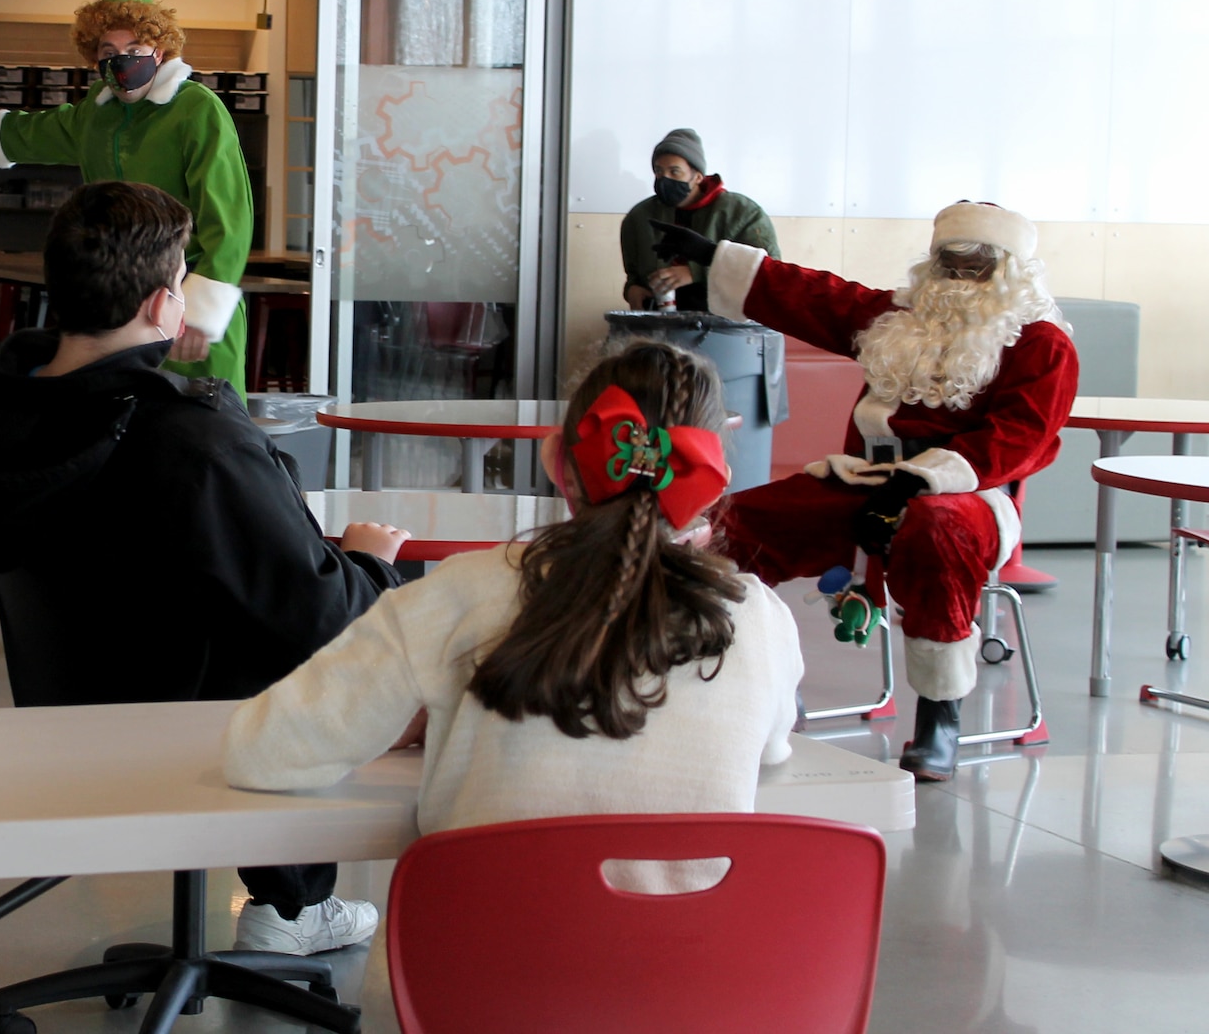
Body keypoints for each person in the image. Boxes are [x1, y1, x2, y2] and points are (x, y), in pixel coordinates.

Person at [0, 180, 407, 955]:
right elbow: (321, 619)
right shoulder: (194, 440)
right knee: (349, 621)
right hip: (194, 733)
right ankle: (292, 906)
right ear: (159, 304)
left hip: (60, 714)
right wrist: (370, 563)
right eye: (179, 285)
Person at [224, 341, 803, 888]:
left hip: (464, 985)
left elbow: (263, 753)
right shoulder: (759, 618)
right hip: (688, 986)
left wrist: (442, 711)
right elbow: (772, 752)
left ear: (557, 458)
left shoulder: (460, 592)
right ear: (711, 486)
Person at [652, 201, 1077, 781]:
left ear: (1010, 270)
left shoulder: (1041, 344)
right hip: (863, 481)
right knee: (731, 527)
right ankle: (714, 677)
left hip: (968, 498)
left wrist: (918, 482)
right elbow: (817, 296)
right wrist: (713, 259)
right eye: (947, 262)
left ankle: (939, 716)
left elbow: (1017, 439)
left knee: (937, 531)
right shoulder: (898, 318)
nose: (957, 279)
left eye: (975, 266)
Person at [0, 0, 253, 395]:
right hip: (114, 306)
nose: (121, 62)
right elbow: (41, 130)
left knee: (203, 424)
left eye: (134, 51)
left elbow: (230, 217)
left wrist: (203, 307)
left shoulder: (196, 110)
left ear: (158, 51)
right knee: (112, 419)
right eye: (108, 53)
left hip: (183, 300)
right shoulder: (95, 115)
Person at [619, 127, 777, 312]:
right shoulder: (639, 217)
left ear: (698, 177)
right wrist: (631, 290)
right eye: (659, 171)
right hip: (662, 326)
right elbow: (634, 274)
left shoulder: (742, 213)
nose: (664, 179)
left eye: (675, 171)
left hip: (726, 326)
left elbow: (766, 270)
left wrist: (696, 273)